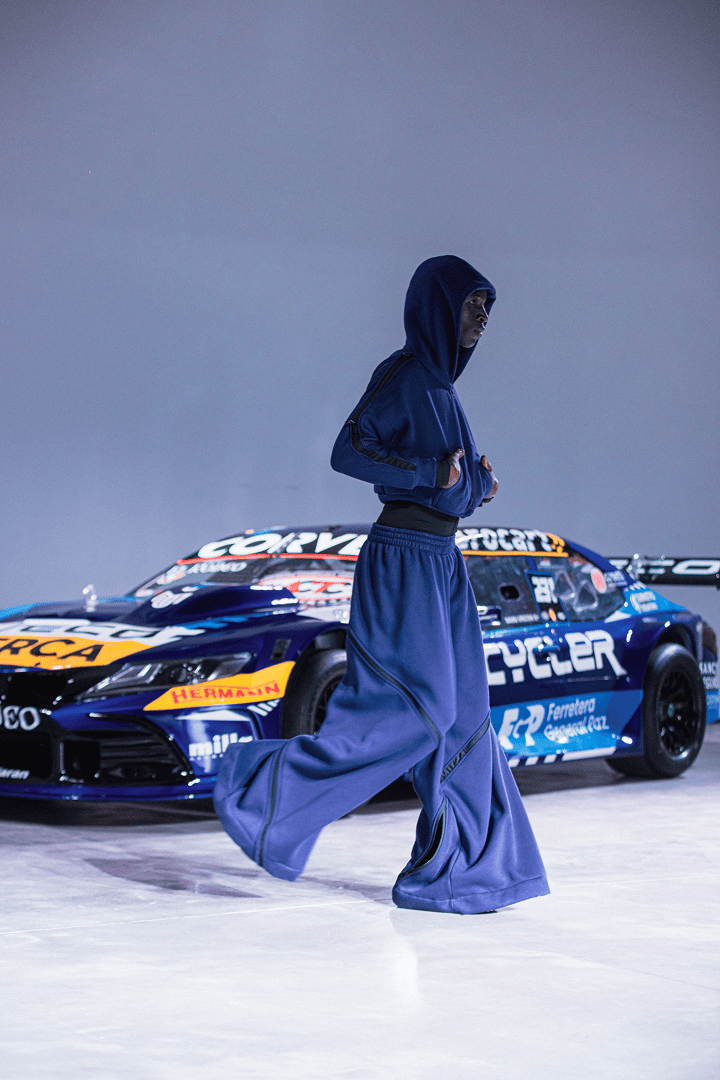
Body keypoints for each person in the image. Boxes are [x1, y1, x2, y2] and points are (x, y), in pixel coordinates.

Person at [214, 255, 549, 914]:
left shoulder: (445, 392)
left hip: (442, 561)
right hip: (403, 561)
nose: (483, 318)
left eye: (488, 306)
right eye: (473, 303)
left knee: (465, 718)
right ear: (438, 305)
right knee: (414, 714)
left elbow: (448, 486)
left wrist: (475, 484)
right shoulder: (405, 374)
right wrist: (431, 473)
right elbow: (350, 450)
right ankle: (259, 795)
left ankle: (460, 871)